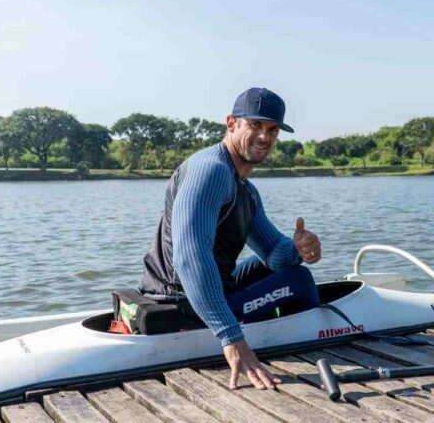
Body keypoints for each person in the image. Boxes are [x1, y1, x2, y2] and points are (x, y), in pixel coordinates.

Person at [138, 87, 322, 391]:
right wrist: (231, 337)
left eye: (273, 129)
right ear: (231, 123)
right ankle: (302, 348)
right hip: (180, 301)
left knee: (280, 268)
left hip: (200, 288)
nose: (265, 136)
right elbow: (190, 257)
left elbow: (274, 254)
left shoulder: (245, 190)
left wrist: (298, 248)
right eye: (255, 125)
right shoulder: (211, 171)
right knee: (300, 281)